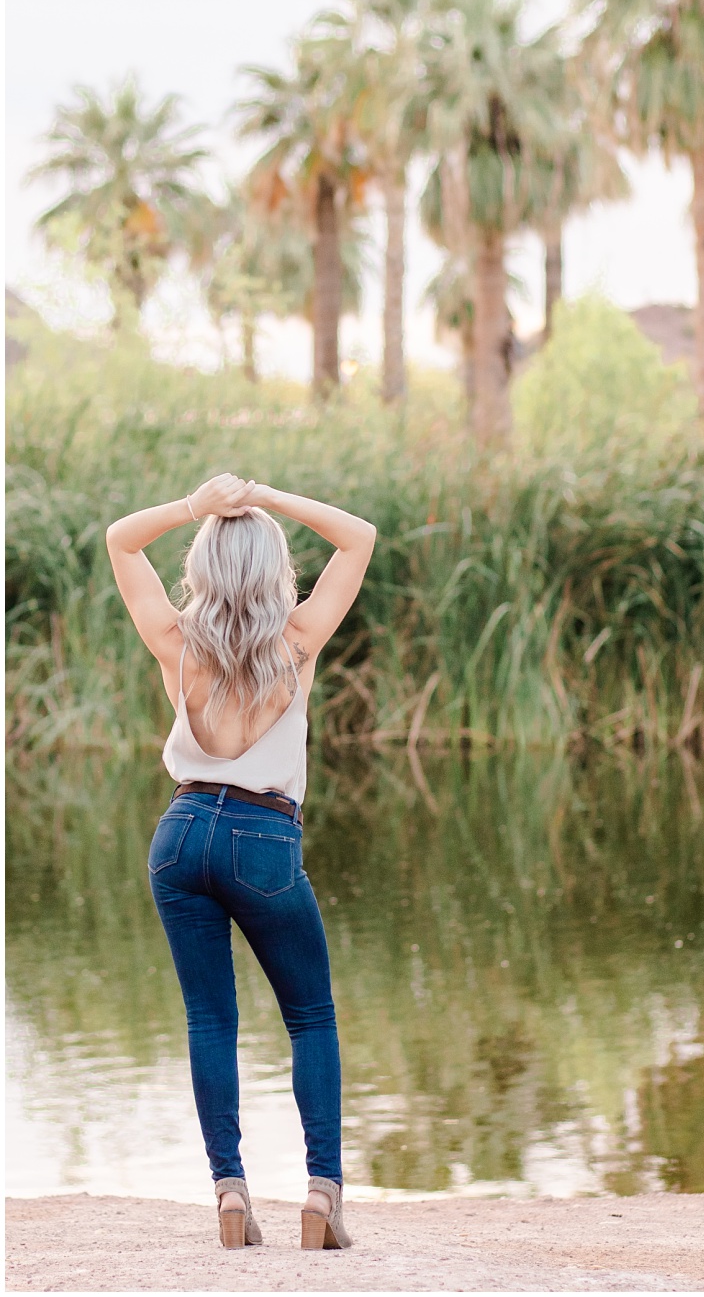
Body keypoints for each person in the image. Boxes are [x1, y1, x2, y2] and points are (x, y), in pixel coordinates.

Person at [105, 473, 375, 1251]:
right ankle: (322, 1192)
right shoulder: (297, 642)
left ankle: (230, 1190)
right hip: (263, 836)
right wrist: (270, 497)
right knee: (311, 1016)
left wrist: (200, 504)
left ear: (204, 568)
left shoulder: (175, 643)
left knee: (209, 1020)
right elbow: (358, 535)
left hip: (181, 832)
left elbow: (123, 535)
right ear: (272, 570)